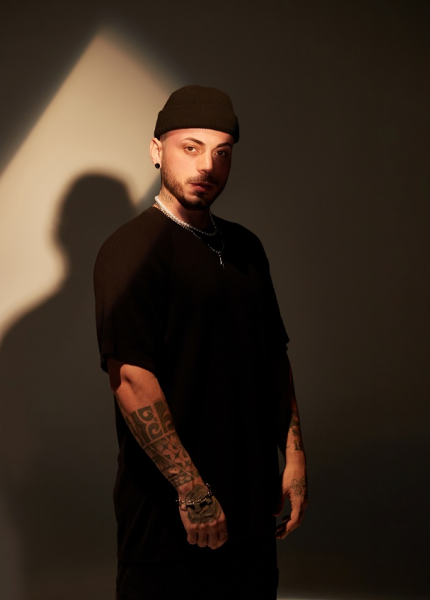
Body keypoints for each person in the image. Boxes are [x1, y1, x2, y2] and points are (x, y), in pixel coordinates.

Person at [93, 85, 308, 600]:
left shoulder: (246, 247)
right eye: (190, 147)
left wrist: (295, 458)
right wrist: (192, 491)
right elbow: (131, 378)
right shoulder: (130, 250)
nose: (207, 165)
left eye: (222, 152)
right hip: (170, 513)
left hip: (252, 505)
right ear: (156, 150)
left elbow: (273, 357)